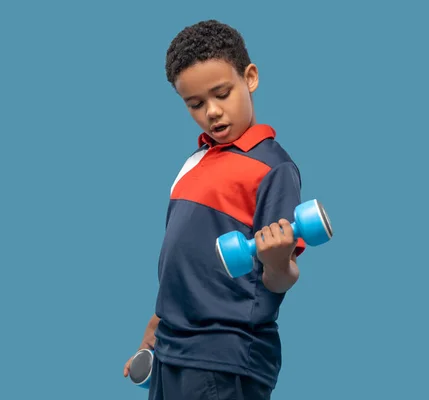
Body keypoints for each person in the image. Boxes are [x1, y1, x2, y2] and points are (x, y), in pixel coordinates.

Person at [123, 19, 307, 399]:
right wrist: (155, 325)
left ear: (250, 78)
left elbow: (280, 279)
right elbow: (181, 258)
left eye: (222, 94)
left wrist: (276, 260)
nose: (212, 111)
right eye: (196, 104)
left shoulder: (274, 167)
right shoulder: (194, 163)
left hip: (225, 355)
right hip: (172, 347)